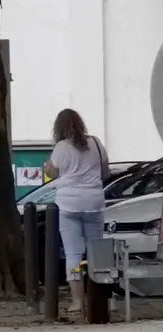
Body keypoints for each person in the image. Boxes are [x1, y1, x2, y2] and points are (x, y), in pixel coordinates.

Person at [43, 108, 109, 313]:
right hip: (94, 202)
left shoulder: (61, 147)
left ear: (59, 128)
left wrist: (47, 168)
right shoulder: (96, 143)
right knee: (96, 251)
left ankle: (78, 302)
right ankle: (104, 299)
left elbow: (52, 173)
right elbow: (105, 172)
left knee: (73, 254)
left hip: (68, 204)